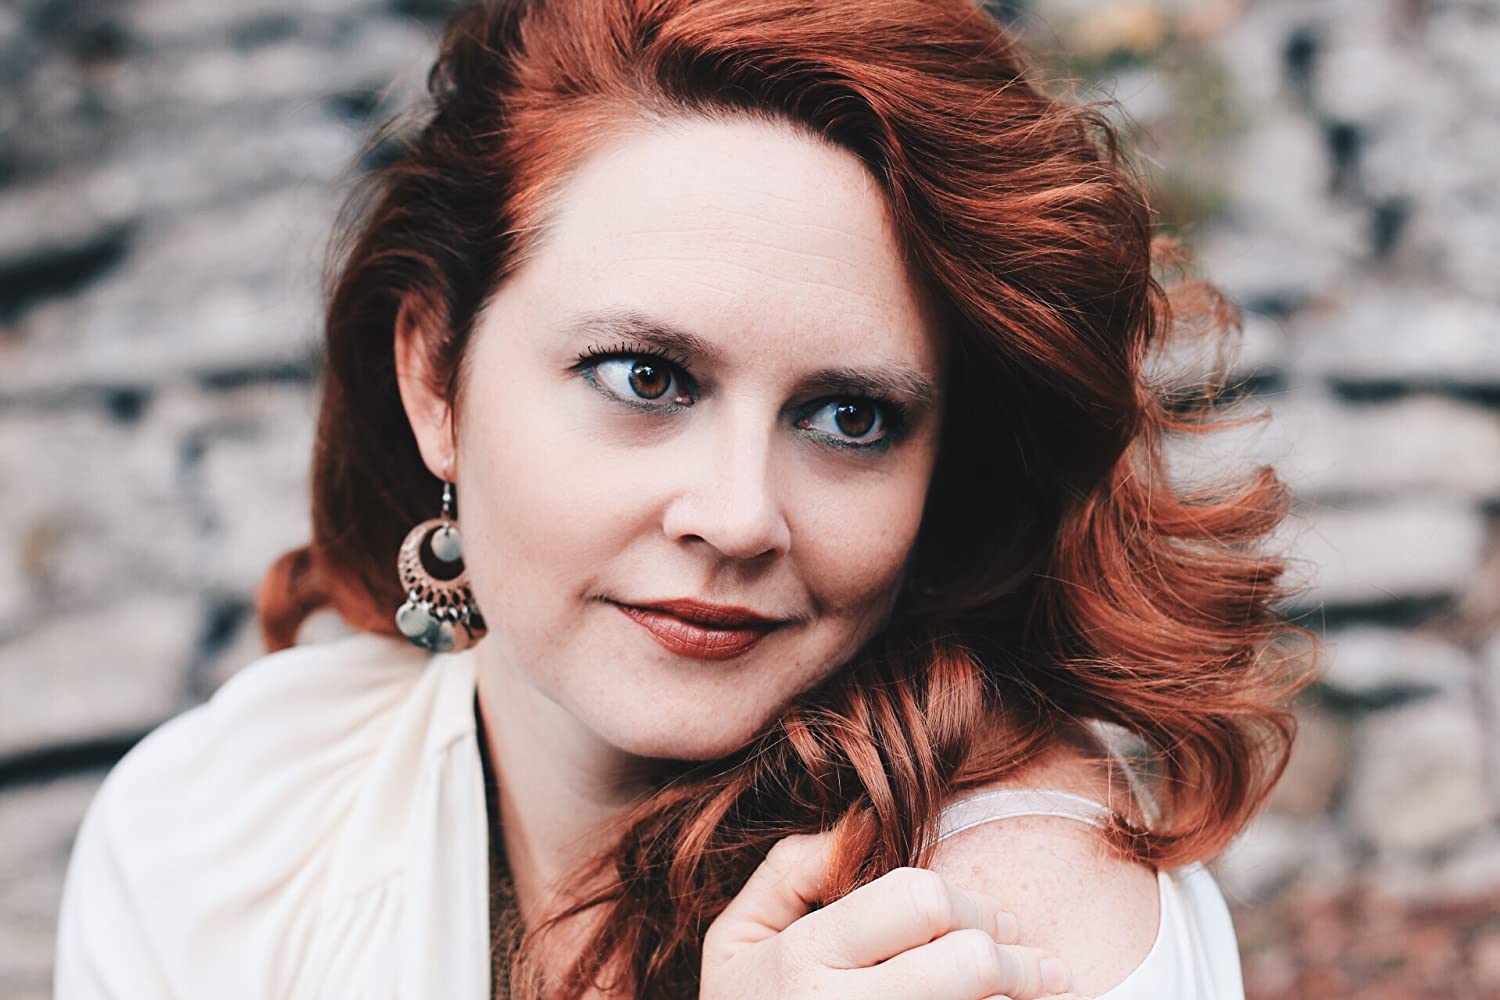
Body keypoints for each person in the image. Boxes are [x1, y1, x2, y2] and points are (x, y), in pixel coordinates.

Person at [53, 0, 1311, 997]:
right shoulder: (215, 832)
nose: (739, 514)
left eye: (850, 416)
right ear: (435, 374)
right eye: (644, 377)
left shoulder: (1002, 913)